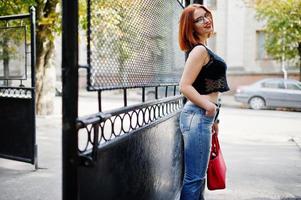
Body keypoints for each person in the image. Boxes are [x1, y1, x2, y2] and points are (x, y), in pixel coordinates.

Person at [178, 4, 229, 200]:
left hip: (203, 118)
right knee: (195, 178)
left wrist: (215, 120)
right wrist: (209, 106)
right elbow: (184, 85)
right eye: (199, 19)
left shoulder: (204, 49)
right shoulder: (199, 51)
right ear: (191, 27)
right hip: (197, 116)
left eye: (206, 15)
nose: (206, 20)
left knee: (198, 179)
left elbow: (209, 87)